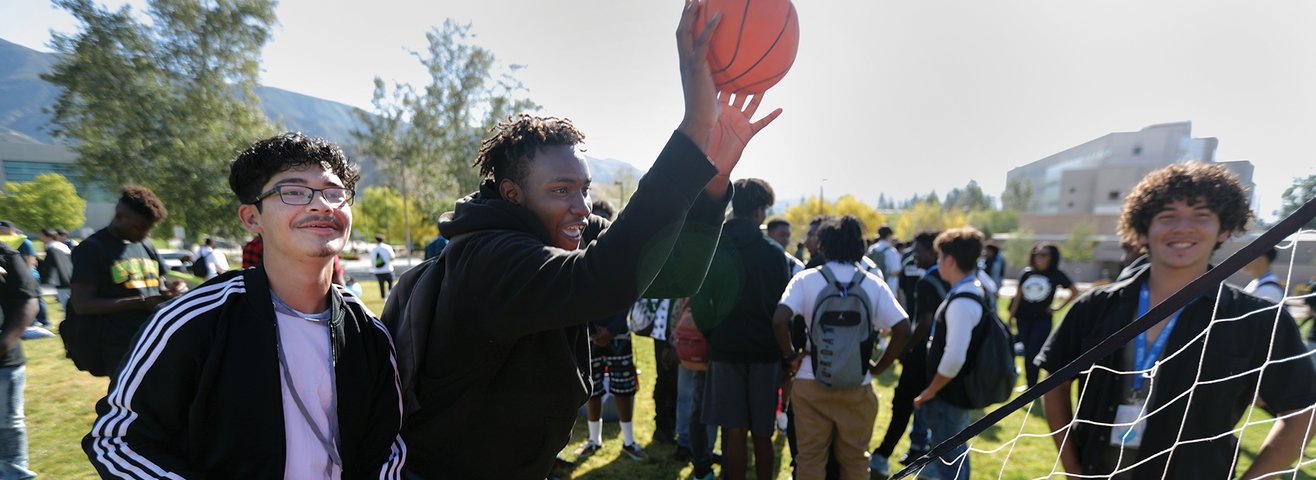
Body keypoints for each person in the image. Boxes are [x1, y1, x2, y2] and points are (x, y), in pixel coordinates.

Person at [388, 4, 782, 476]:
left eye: (584, 187)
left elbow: (675, 271)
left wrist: (714, 178)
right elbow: (603, 280)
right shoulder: (488, 257)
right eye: (560, 190)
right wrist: (694, 128)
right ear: (512, 194)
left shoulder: (565, 232)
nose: (581, 205)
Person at [84, 133, 406, 478]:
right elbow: (117, 440)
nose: (322, 205)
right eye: (293, 191)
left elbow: (387, 447)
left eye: (334, 192)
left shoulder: (368, 332)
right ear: (252, 218)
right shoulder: (192, 321)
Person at [1036, 162, 1316, 478]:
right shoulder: (1095, 305)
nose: (1182, 228)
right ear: (1144, 229)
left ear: (1224, 228)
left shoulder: (1258, 318)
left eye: (1201, 215)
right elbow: (1054, 380)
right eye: (1167, 216)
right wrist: (1073, 469)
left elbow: (1302, 411)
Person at [773, 215, 910, 480]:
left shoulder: (806, 279)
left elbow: (779, 319)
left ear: (824, 245)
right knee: (856, 460)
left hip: (810, 379)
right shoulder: (872, 283)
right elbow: (903, 328)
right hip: (857, 381)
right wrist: (879, 367)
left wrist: (791, 356)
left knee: (810, 458)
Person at [693, 178, 791, 480]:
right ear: (760, 211)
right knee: (763, 432)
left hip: (725, 350)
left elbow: (698, 304)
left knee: (733, 432)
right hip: (765, 352)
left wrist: (715, 335)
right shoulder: (774, 254)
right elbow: (783, 309)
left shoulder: (713, 247)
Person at [68, 186, 183, 376]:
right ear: (120, 216)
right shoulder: (92, 249)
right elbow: (82, 304)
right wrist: (140, 303)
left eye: (149, 229)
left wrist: (171, 291)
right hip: (121, 349)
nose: (145, 234)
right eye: (140, 227)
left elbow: (158, 283)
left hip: (155, 339)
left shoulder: (145, 245)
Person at [573, 199, 649, 463]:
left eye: (604, 219)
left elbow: (631, 293)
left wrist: (612, 328)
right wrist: (594, 329)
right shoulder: (579, 254)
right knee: (590, 388)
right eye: (595, 217)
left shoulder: (620, 254)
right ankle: (594, 439)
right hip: (590, 333)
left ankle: (629, 441)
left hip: (618, 333)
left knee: (624, 387)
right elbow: (577, 293)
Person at [912, 227, 989, 480]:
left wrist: (930, 391)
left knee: (949, 461)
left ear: (950, 260)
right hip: (952, 395)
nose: (937, 263)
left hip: (949, 397)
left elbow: (954, 358)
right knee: (947, 456)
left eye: (939, 258)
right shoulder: (971, 290)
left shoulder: (963, 301)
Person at [871, 231, 942, 476]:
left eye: (920, 251)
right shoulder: (952, 278)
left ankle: (882, 456)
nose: (915, 256)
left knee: (903, 403)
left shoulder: (929, 281)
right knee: (930, 407)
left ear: (934, 252)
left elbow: (924, 323)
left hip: (923, 353)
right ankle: (920, 450)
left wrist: (906, 347)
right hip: (943, 355)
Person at [1008, 242, 1076, 388]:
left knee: (1035, 351)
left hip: (1042, 320)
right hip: (1023, 319)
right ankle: (1030, 384)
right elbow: (1018, 296)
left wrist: (1057, 308)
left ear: (1052, 257)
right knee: (1027, 352)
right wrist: (1010, 317)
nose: (1039, 257)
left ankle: (1034, 386)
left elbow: (1074, 291)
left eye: (1043, 255)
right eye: (1037, 254)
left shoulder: (1056, 275)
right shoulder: (1026, 273)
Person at [0, 240, 40, 479]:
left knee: (7, 426)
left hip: (3, 362)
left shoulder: (5, 253)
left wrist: (4, 343)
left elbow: (30, 299)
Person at [0, 223, 48, 333]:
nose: (0, 230)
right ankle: (30, 323)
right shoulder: (5, 241)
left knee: (35, 299)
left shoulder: (24, 242)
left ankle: (43, 321)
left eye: (2, 228)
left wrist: (25, 275)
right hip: (15, 275)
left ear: (11, 228)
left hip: (29, 275)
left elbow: (30, 260)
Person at [37, 228, 73, 310]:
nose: (40, 238)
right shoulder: (62, 246)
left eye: (42, 236)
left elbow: (47, 266)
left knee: (65, 301)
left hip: (61, 278)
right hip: (70, 276)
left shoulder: (52, 248)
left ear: (49, 237)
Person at [866, 225, 902, 294]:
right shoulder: (892, 251)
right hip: (888, 287)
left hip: (872, 286)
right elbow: (895, 272)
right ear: (889, 235)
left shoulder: (872, 249)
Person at [369, 234, 396, 298]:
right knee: (391, 283)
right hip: (388, 269)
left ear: (376, 240)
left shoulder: (373, 249)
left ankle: (384, 297)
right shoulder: (387, 247)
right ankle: (390, 296)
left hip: (378, 271)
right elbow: (392, 257)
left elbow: (372, 261)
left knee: (381, 285)